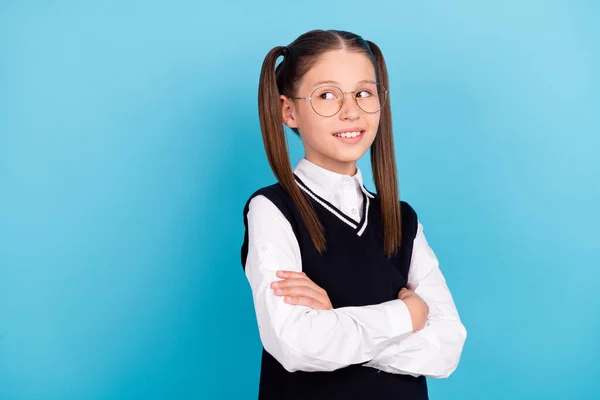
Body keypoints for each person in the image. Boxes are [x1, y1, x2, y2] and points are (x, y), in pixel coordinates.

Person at [240, 29, 467, 400]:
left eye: (364, 93)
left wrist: (336, 322)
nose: (351, 111)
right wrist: (407, 316)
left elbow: (446, 348)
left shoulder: (402, 219)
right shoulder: (272, 209)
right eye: (327, 95)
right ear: (289, 111)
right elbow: (296, 344)